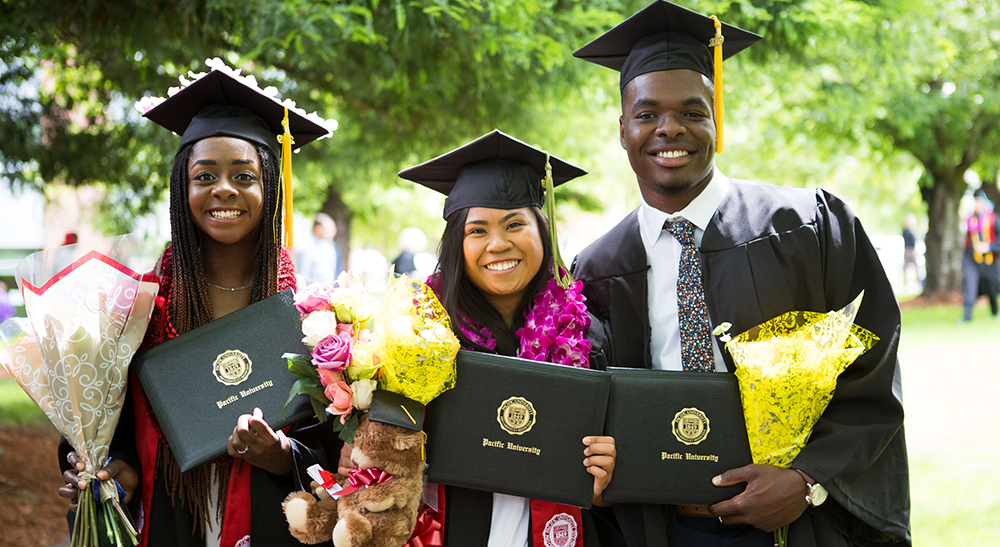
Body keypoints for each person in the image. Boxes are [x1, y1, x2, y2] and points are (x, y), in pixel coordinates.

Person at [571, 2, 910, 546]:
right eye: (647, 113)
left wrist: (807, 481)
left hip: (797, 524)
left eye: (692, 110)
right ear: (622, 129)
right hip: (658, 526)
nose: (669, 129)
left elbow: (872, 365)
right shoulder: (597, 269)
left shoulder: (810, 226)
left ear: (716, 118)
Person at [57, 64, 340, 546]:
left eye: (244, 176)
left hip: (273, 523)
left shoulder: (313, 315)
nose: (223, 188)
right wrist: (114, 469)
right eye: (204, 175)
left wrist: (280, 455)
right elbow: (105, 424)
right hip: (169, 521)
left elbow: (339, 446)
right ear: (181, 190)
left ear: (270, 186)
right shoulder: (139, 307)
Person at [396, 129, 623, 546]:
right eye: (477, 231)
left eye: (515, 224)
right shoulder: (420, 336)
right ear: (456, 245)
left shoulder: (588, 336)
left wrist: (606, 481)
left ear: (542, 231)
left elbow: (608, 487)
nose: (497, 244)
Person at [961, 189, 1000, 322]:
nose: (976, 205)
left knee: (992, 286)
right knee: (969, 285)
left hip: (989, 260)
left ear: (984, 203)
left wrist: (989, 247)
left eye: (978, 202)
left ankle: (995, 312)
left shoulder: (994, 219)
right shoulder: (971, 219)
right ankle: (967, 317)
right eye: (975, 202)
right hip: (971, 259)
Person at [296, 212, 342, 286]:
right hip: (312, 293)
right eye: (328, 229)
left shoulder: (327, 245)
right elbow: (303, 274)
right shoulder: (306, 245)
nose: (332, 232)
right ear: (318, 228)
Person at [901, 214, 920, 288]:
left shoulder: (911, 231)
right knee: (905, 268)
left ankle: (918, 281)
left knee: (916, 267)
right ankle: (905, 283)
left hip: (911, 250)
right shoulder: (906, 231)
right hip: (908, 250)